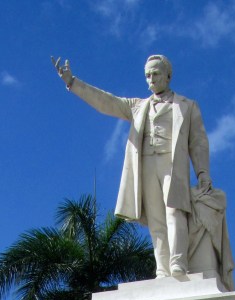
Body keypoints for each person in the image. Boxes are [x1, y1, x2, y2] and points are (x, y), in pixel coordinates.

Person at [52, 53, 213, 279]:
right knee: (156, 220)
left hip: (172, 163)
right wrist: (73, 82)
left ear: (168, 75)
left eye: (155, 74)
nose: (151, 79)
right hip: (146, 163)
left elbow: (198, 142)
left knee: (175, 211)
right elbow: (107, 102)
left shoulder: (187, 106)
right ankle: (162, 268)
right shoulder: (138, 106)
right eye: (147, 75)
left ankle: (178, 263)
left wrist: (202, 172)